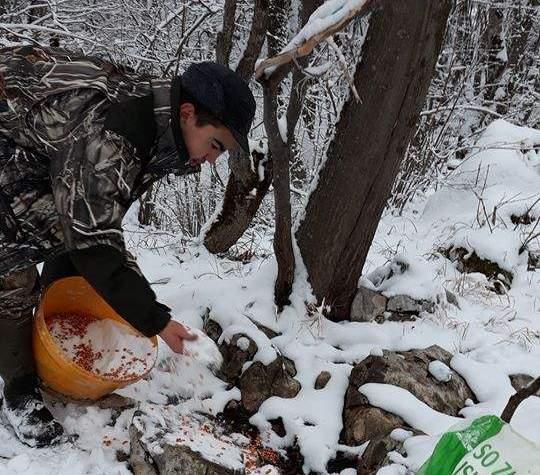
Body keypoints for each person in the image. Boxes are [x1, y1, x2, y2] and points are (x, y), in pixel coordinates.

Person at [0, 44, 256, 447]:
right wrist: (155, 320)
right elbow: (94, 241)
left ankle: (52, 326)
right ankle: (18, 389)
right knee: (13, 259)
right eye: (216, 145)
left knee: (74, 228)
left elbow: (96, 207)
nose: (212, 160)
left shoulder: (156, 115)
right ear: (188, 114)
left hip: (32, 150)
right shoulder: (115, 132)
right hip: (9, 147)